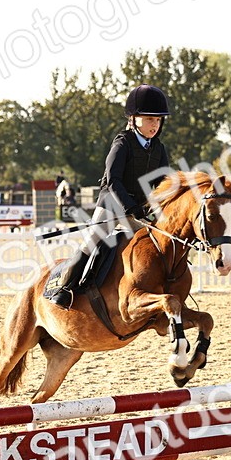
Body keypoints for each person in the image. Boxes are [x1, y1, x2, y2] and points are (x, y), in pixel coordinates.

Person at [45, 84, 171, 308]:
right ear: (133, 118)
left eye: (159, 120)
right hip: (112, 203)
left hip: (139, 209)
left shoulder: (159, 148)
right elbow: (113, 180)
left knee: (158, 245)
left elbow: (162, 182)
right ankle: (65, 289)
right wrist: (131, 207)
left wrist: (157, 205)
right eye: (150, 119)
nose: (155, 124)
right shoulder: (123, 143)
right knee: (94, 239)